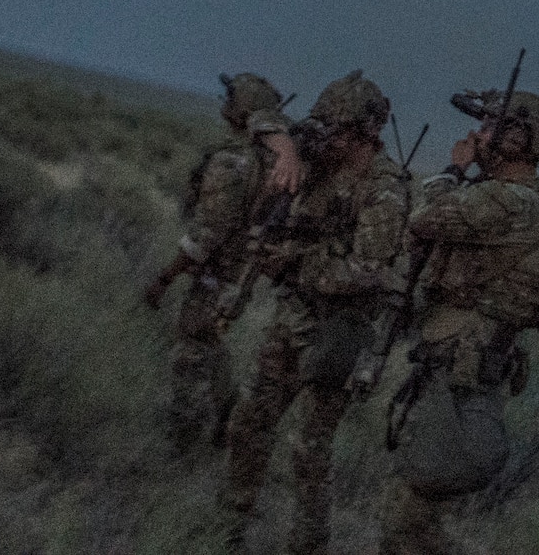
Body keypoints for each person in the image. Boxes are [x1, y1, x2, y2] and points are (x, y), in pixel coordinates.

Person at [220, 71, 412, 555]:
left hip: (337, 330)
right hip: (294, 316)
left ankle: (308, 544)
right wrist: (284, 148)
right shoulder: (317, 162)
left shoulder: (384, 191)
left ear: (365, 133)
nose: (326, 138)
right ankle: (228, 528)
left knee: (309, 452)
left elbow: (366, 272)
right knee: (249, 422)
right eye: (323, 127)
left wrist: (294, 260)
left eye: (338, 130)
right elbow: (259, 117)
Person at [380, 89, 539, 555]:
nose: (477, 135)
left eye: (490, 127)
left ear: (517, 139)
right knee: (414, 512)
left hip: (460, 367)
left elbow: (426, 217)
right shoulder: (504, 197)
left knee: (410, 509)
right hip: (452, 361)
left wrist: (453, 169)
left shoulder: (513, 201)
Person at [143, 72, 299, 452]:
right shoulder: (274, 161)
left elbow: (206, 236)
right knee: (209, 342)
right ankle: (228, 413)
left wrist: (165, 277)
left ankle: (182, 443)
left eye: (230, 100)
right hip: (240, 274)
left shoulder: (236, 162)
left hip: (219, 273)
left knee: (191, 351)